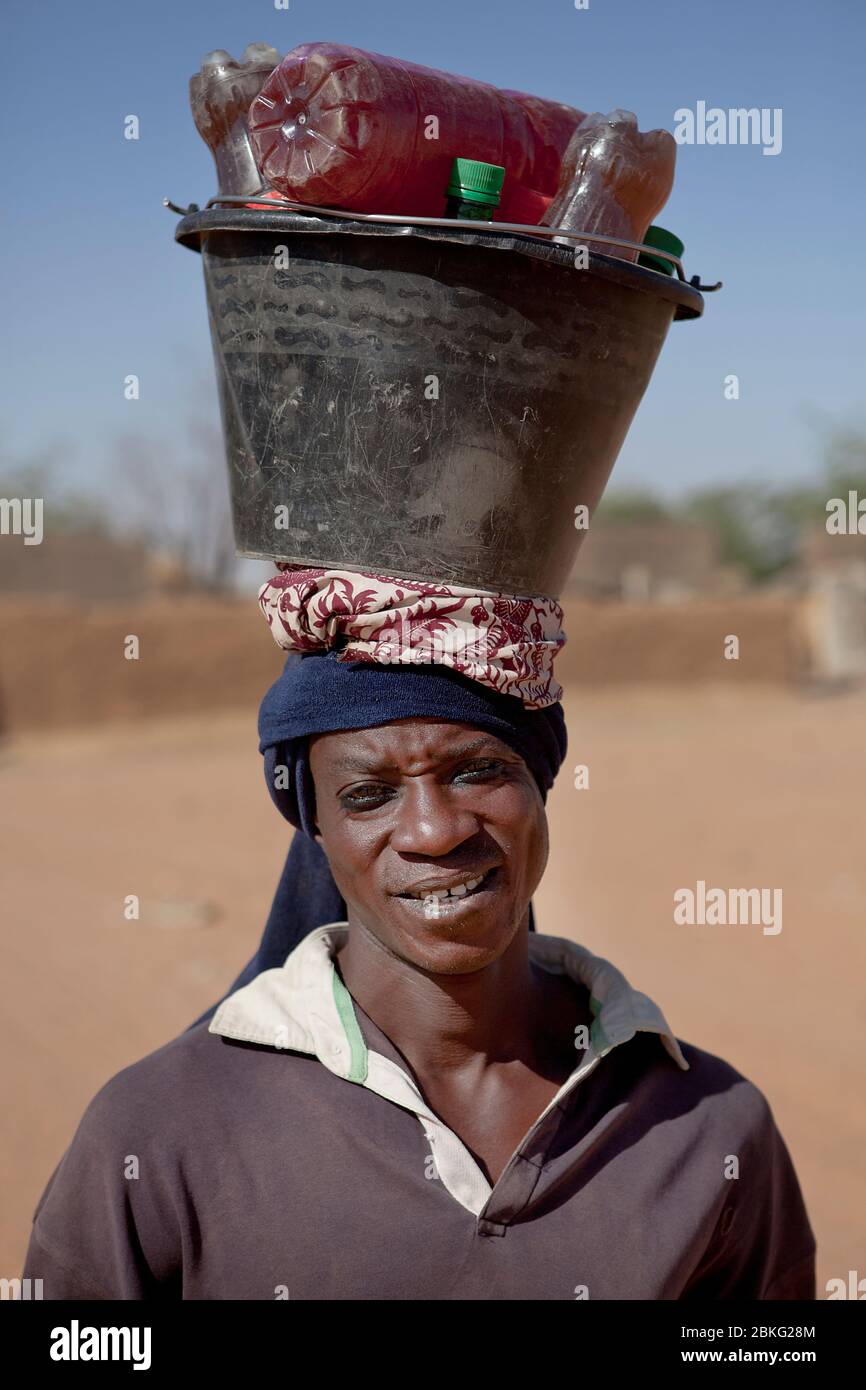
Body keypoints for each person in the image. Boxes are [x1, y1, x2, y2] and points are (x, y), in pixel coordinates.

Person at [23, 568, 816, 1300]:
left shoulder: (706, 1125)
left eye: (477, 771)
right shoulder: (160, 1135)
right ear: (317, 829)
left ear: (540, 786)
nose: (434, 832)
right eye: (369, 794)